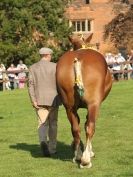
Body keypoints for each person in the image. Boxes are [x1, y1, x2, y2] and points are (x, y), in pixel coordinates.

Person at [28, 47, 61, 157]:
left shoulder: (33, 67)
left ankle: (43, 140)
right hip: (53, 99)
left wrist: (33, 100)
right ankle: (52, 148)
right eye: (50, 55)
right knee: (53, 124)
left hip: (39, 99)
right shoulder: (55, 66)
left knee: (42, 123)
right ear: (48, 55)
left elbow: (30, 85)